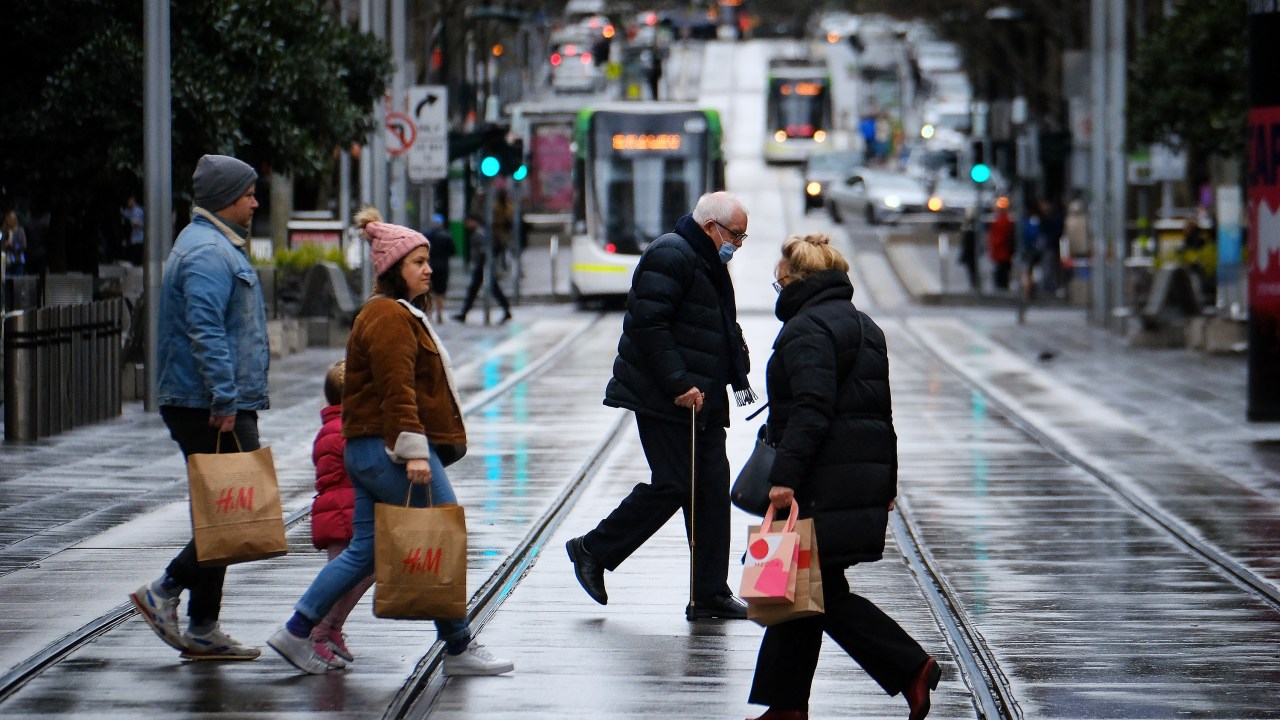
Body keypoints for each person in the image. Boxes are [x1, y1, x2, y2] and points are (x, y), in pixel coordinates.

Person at [269, 206, 513, 677]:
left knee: (365, 549)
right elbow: (396, 389)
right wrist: (415, 451)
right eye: (418, 262)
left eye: (427, 260)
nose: (429, 269)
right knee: (442, 533)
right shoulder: (387, 317)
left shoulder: (393, 313)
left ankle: (296, 632)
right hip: (388, 451)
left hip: (367, 449)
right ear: (393, 270)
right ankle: (459, 646)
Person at [747, 233, 940, 720]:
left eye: (779, 282)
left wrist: (785, 476)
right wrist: (887, 484)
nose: (778, 290)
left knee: (818, 591)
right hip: (854, 477)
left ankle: (910, 665)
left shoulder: (808, 329)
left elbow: (812, 409)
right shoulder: (863, 324)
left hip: (822, 480)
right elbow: (881, 413)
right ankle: (786, 706)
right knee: (804, 587)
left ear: (795, 281)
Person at [565, 191, 757, 621]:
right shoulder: (671, 253)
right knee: (673, 483)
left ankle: (708, 593)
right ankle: (592, 549)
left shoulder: (705, 259)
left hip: (703, 402)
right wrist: (678, 383)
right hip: (667, 399)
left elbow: (710, 323)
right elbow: (648, 324)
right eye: (736, 235)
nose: (738, 245)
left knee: (709, 494)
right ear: (712, 228)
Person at [129, 154, 268, 661]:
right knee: (238, 516)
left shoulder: (212, 245)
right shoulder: (209, 252)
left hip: (210, 401)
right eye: (249, 193)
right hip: (208, 404)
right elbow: (205, 330)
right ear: (227, 197)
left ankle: (204, 626)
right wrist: (224, 397)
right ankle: (163, 591)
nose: (255, 202)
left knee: (224, 515)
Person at [307, 359, 372, 667]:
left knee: (368, 570)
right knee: (338, 579)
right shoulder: (342, 430)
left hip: (349, 512)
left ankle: (333, 628)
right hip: (341, 515)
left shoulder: (341, 426)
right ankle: (317, 634)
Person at [451, 212, 512, 324]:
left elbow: (485, 250)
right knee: (479, 289)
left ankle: (464, 313)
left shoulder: (479, 233)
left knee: (483, 289)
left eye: (468, 222)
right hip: (483, 265)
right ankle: (464, 313)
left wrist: (483, 262)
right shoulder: (479, 232)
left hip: (483, 266)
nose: (466, 225)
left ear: (474, 221)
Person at [425, 213, 455, 323]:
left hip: (429, 265)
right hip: (443, 266)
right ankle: (440, 313)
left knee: (428, 290)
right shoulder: (447, 236)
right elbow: (452, 251)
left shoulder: (426, 235)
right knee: (441, 291)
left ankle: (429, 313)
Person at [987, 205, 1014, 291]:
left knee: (1002, 271)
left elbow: (1000, 238)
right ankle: (1002, 286)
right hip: (1002, 252)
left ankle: (1001, 287)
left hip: (1002, 252)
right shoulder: (1003, 221)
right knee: (1002, 270)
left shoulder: (1002, 221)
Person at [121, 194, 145, 265]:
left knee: (138, 252)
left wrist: (138, 224)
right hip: (130, 236)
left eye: (130, 201)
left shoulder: (140, 211)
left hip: (139, 236)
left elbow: (145, 224)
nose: (129, 203)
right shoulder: (126, 212)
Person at [3, 210, 27, 276]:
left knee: (17, 283)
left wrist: (13, 245)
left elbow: (24, 246)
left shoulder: (20, 231)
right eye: (7, 219)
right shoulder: (4, 231)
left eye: (9, 219)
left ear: (14, 220)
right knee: (7, 283)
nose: (8, 221)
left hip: (18, 261)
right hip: (6, 262)